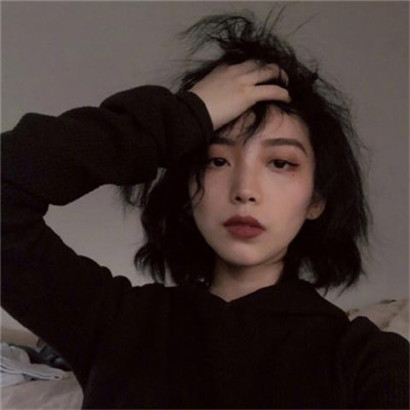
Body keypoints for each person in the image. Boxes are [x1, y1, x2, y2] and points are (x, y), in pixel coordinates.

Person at [2, 12, 409, 410]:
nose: (245, 190)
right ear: (187, 188)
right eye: (216, 161)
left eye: (280, 163)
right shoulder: (117, 321)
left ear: (316, 199)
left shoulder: (368, 361)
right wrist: (183, 116)